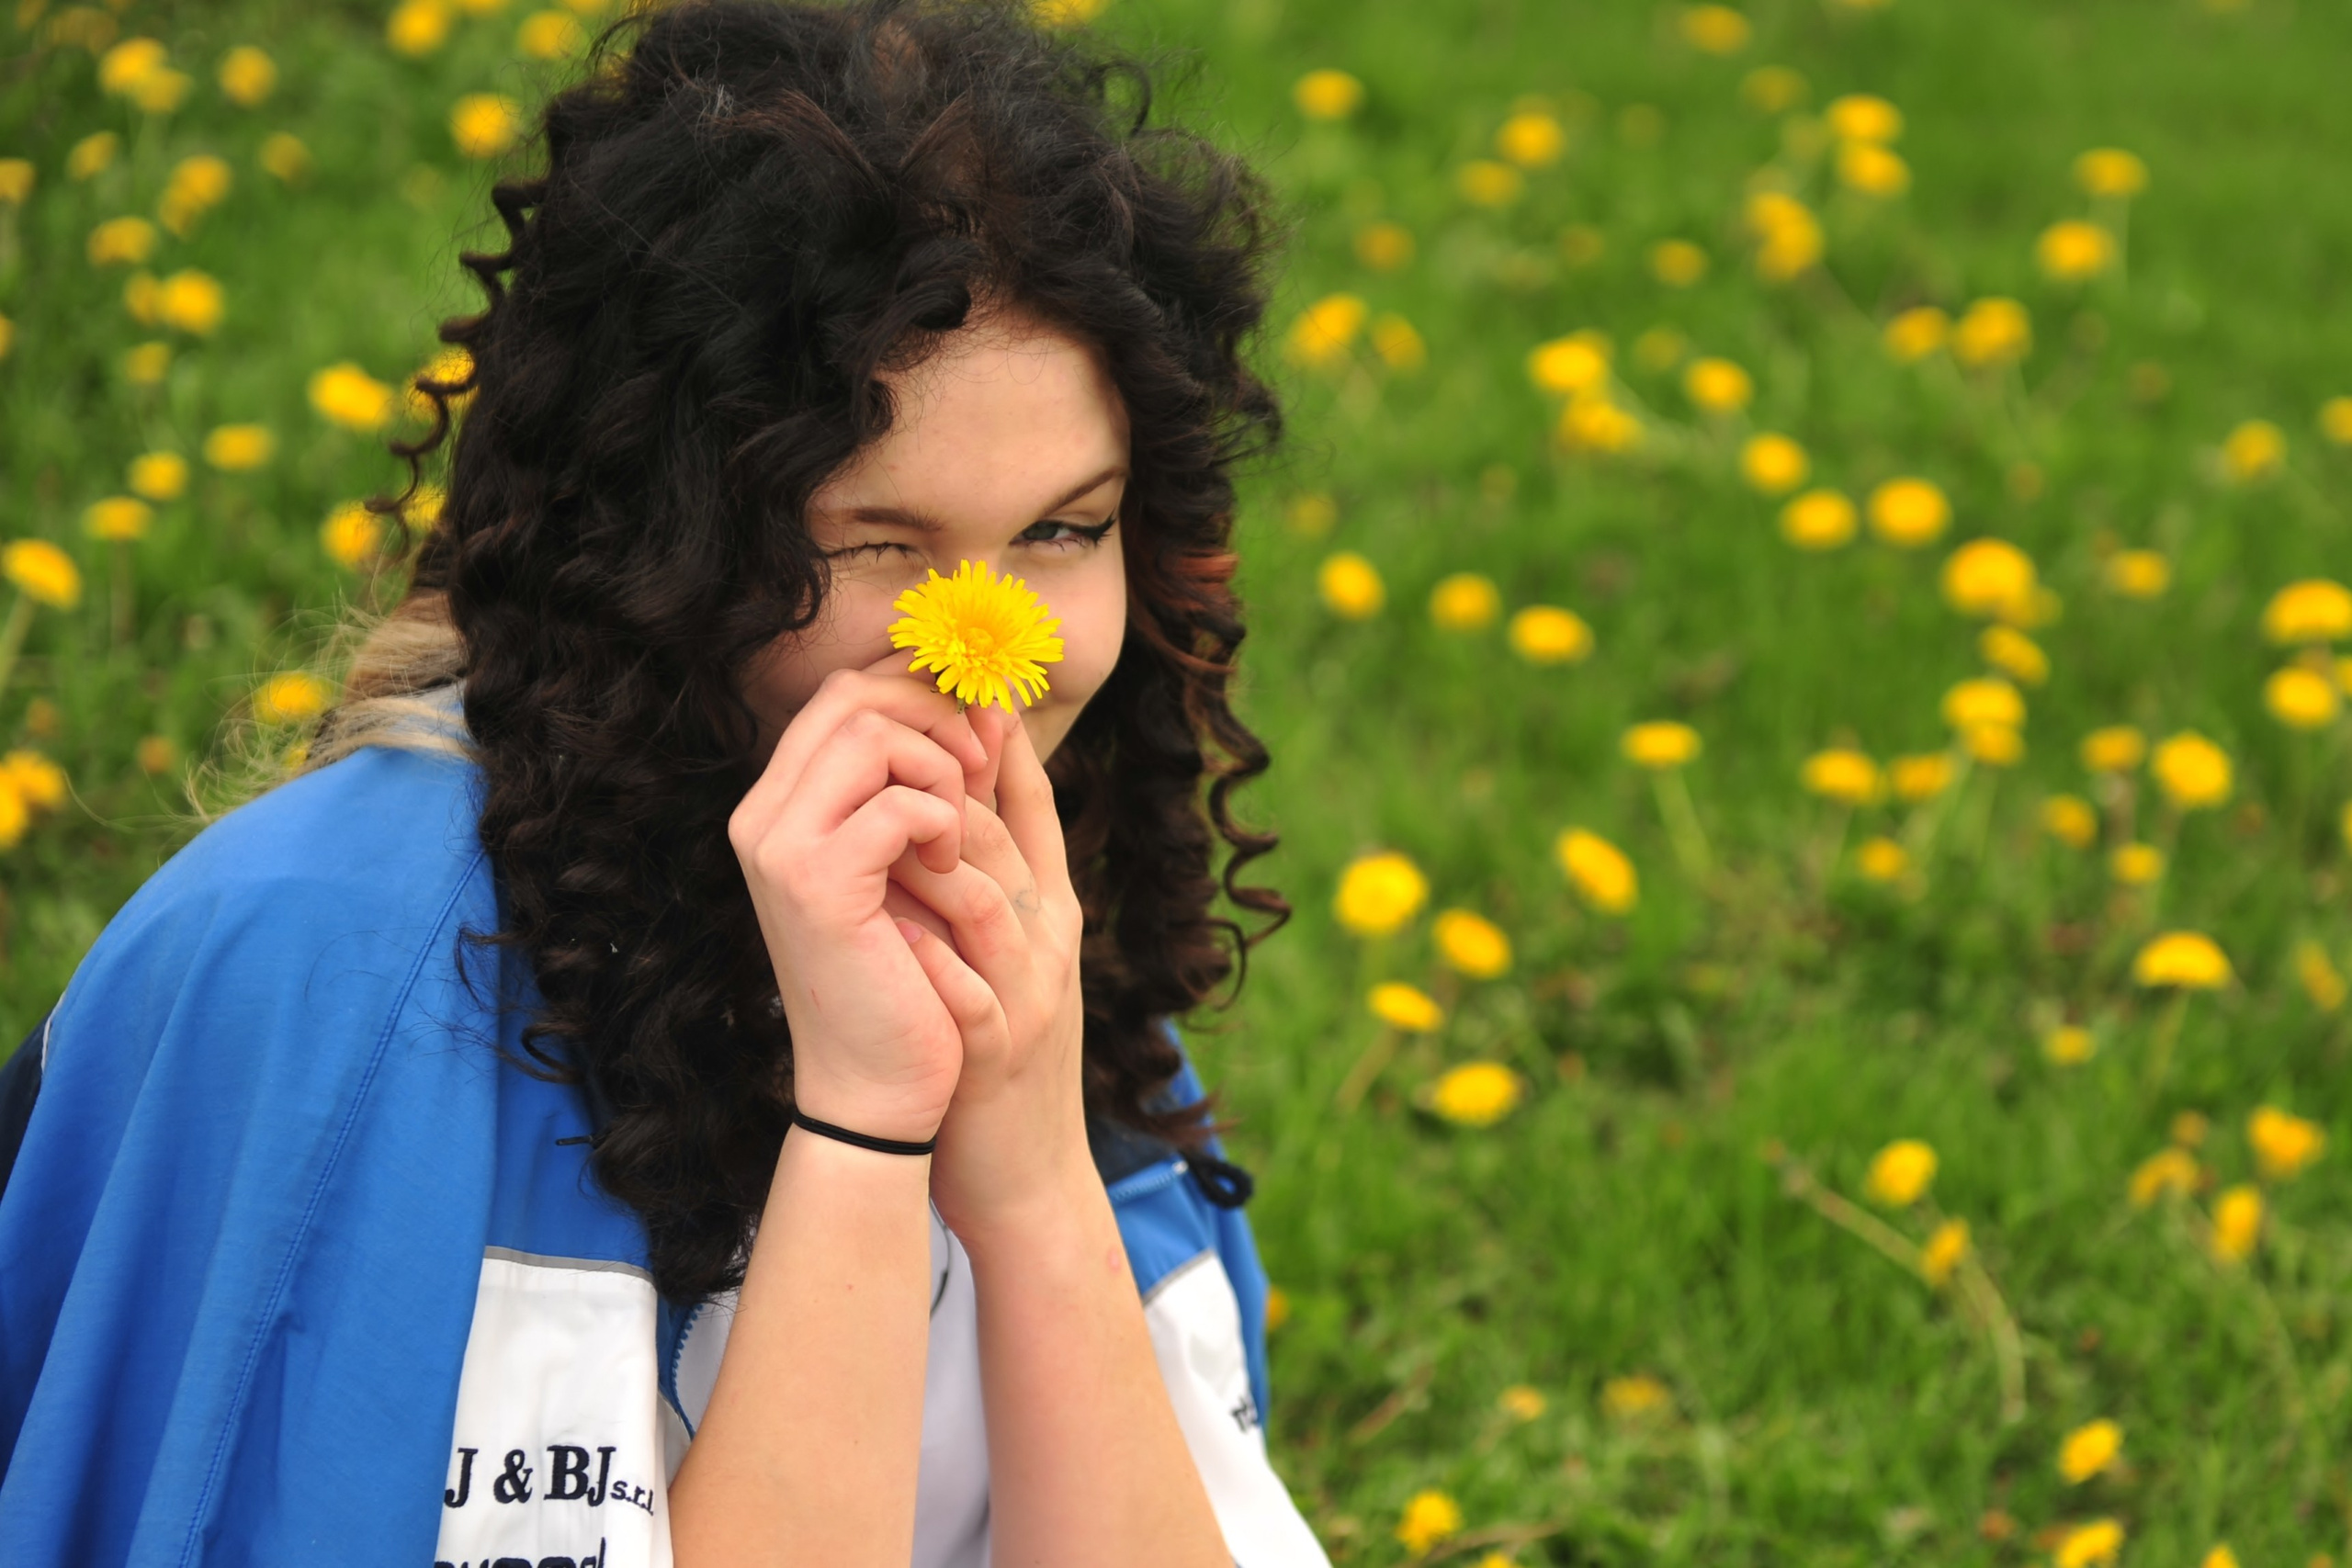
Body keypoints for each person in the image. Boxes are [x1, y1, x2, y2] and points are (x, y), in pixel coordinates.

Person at [0, 2, 1329, 1562]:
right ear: (663, 547)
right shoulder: (334, 972)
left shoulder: (1036, 941)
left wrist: (1033, 1175)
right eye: (873, 549)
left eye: (1063, 530)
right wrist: (862, 1133)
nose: (995, 649)